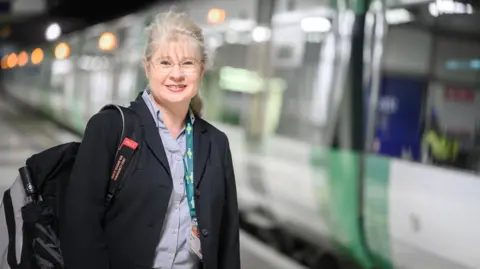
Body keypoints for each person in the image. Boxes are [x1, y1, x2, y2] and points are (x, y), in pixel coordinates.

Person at [59, 11, 240, 269]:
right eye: (165, 62)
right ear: (147, 67)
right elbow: (80, 227)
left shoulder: (216, 143)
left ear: (202, 69)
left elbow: (228, 241)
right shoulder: (110, 129)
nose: (176, 74)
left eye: (188, 63)